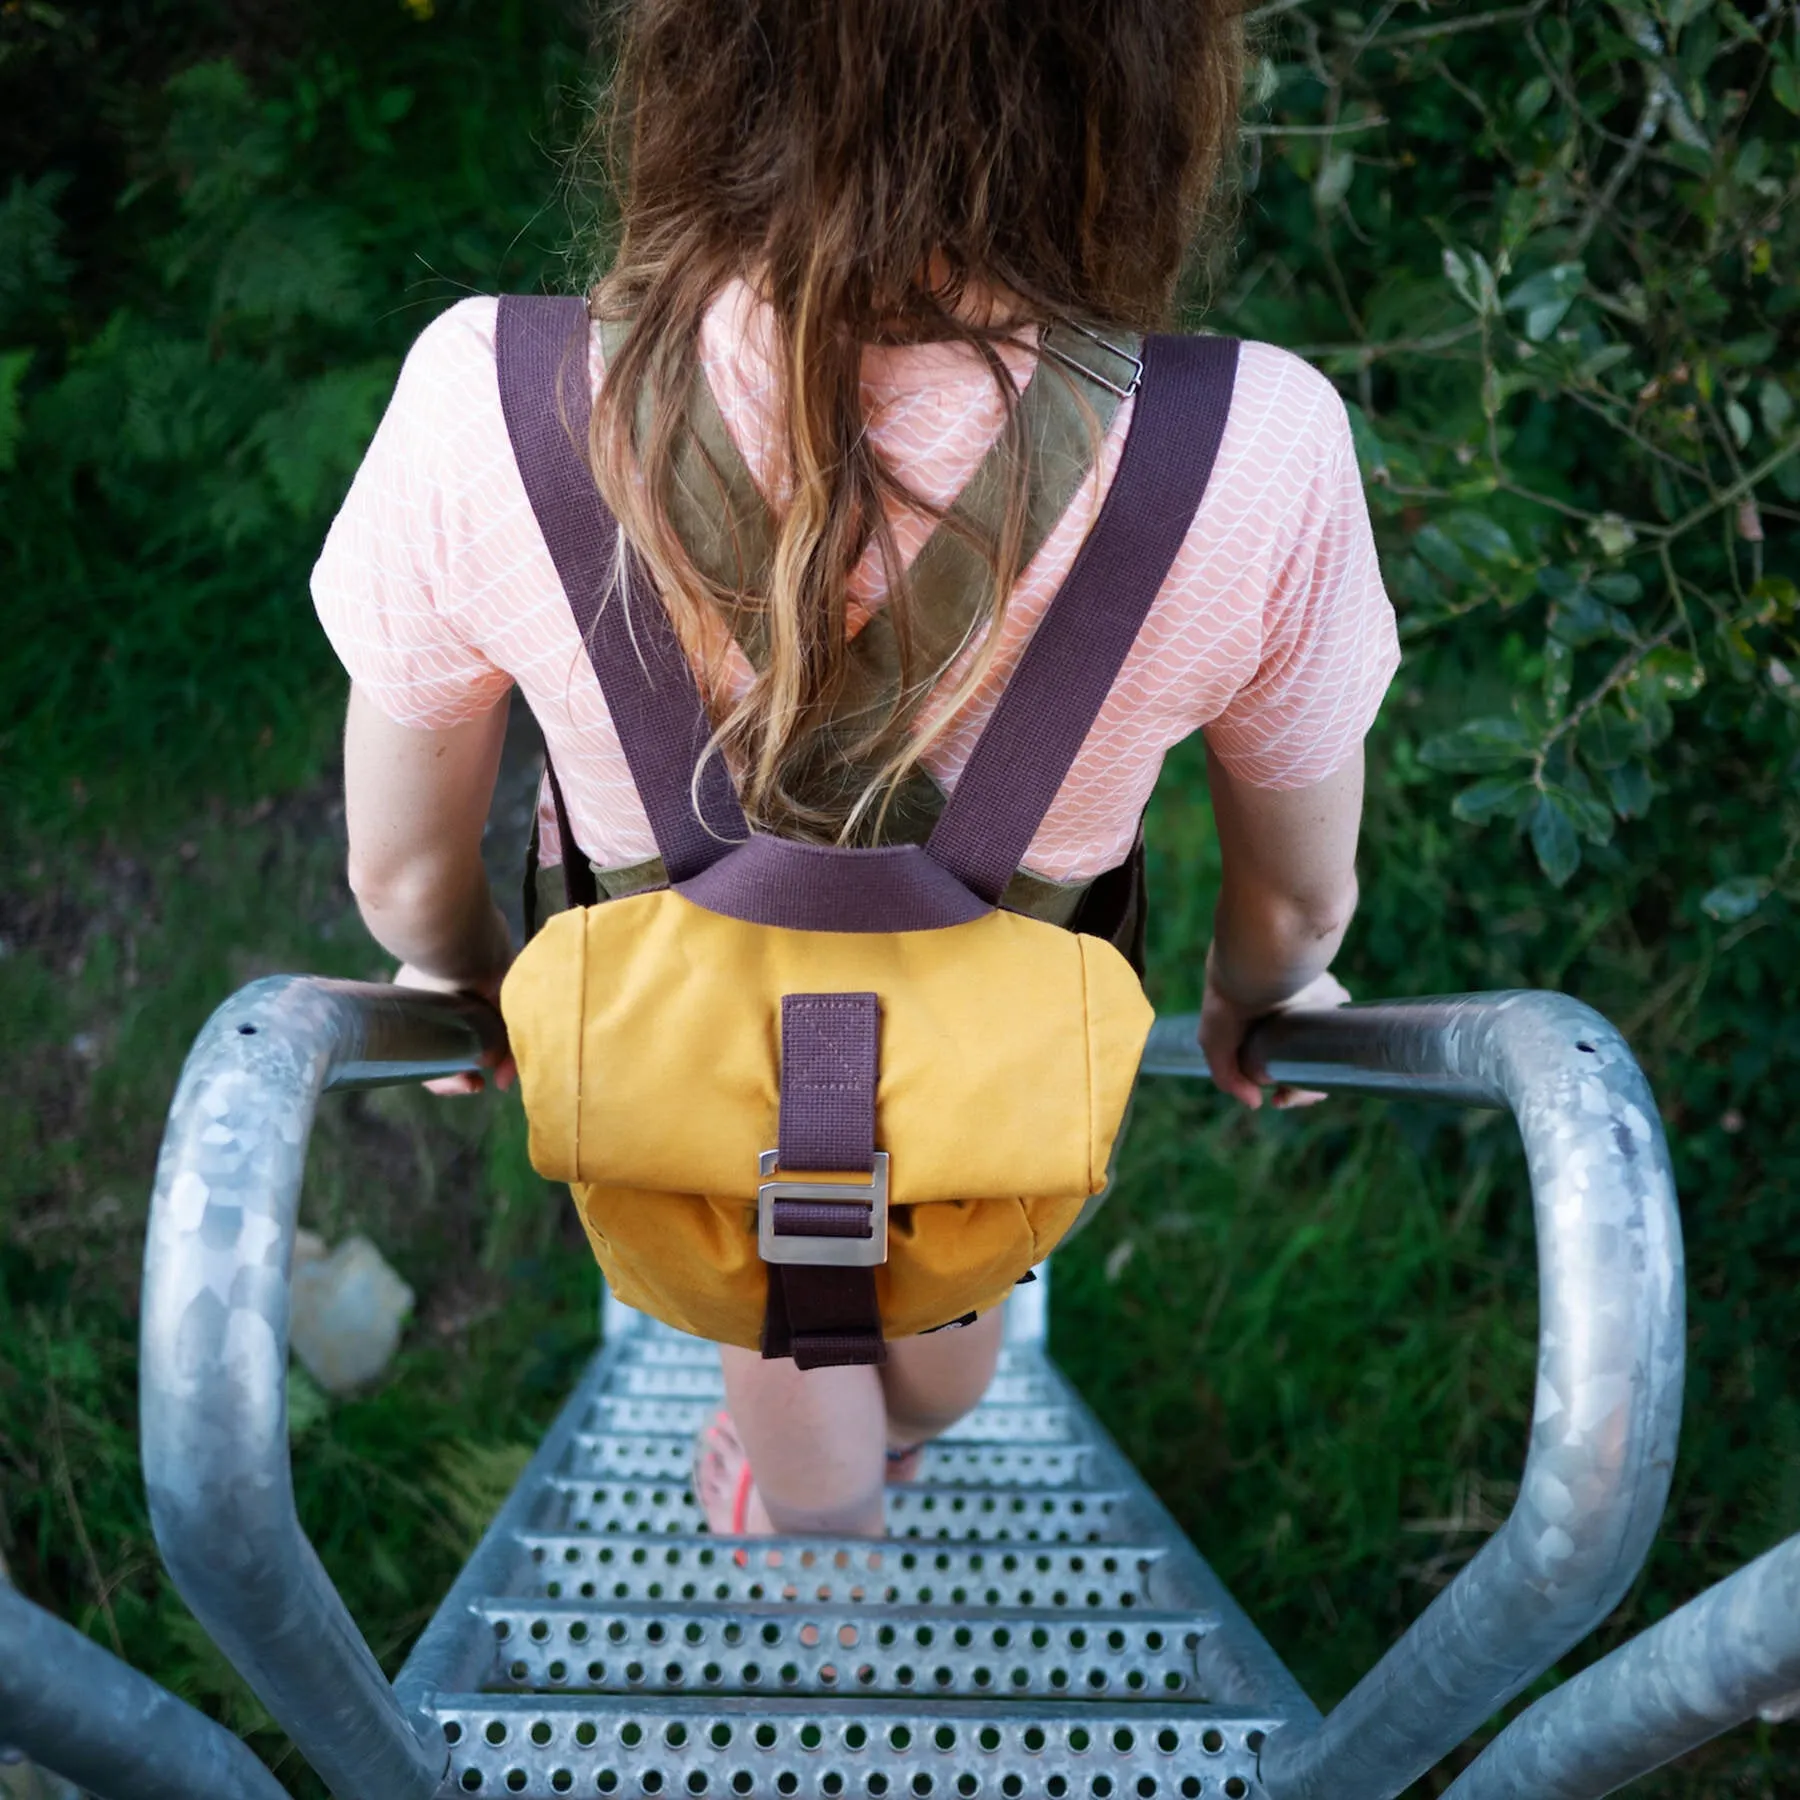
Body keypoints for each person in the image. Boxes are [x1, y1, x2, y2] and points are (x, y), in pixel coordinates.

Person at [312, 0, 1396, 1542]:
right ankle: (896, 1452)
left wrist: (469, 983)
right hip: (992, 1101)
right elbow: (1300, 895)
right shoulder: (1251, 444)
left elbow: (401, 873)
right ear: (1141, 71)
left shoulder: (495, 399)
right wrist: (1254, 999)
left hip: (680, 1091)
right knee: (953, 1307)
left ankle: (816, 1550)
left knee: (777, 1325)